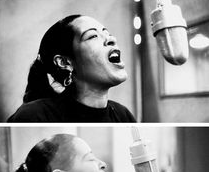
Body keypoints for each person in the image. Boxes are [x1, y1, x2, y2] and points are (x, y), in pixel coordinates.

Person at [8, 14, 136, 122]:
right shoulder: (33, 116)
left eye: (107, 34)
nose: (111, 39)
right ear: (64, 62)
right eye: (92, 36)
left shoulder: (122, 115)